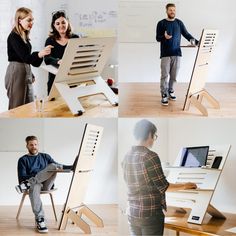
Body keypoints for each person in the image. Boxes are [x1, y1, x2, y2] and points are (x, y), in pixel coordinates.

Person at [122, 119, 197, 236]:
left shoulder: (127, 155)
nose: (153, 140)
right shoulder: (150, 156)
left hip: (132, 212)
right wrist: (185, 185)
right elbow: (163, 186)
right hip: (150, 214)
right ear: (149, 134)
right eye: (154, 136)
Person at [15, 136, 72, 233]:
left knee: (53, 166)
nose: (34, 147)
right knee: (34, 185)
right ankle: (40, 219)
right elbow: (22, 178)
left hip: (46, 184)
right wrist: (40, 175)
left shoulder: (45, 156)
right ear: (27, 146)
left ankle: (29, 183)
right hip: (35, 186)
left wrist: (72, 167)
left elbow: (57, 166)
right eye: (31, 145)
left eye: (35, 144)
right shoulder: (23, 160)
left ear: (38, 145)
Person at [5, 7, 53, 110]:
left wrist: (30, 73)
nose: (32, 23)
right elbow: (26, 57)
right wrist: (40, 54)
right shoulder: (14, 36)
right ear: (19, 20)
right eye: (29, 20)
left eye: (32, 20)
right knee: (17, 107)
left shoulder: (24, 37)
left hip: (25, 70)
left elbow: (27, 59)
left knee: (29, 106)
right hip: (16, 71)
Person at [156, 3, 198, 106]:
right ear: (166, 11)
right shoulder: (161, 23)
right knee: (165, 75)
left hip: (177, 53)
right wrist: (164, 37)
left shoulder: (179, 23)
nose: (172, 12)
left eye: (174, 10)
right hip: (165, 54)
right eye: (170, 10)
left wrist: (197, 42)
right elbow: (157, 38)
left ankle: (170, 91)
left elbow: (187, 34)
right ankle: (164, 94)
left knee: (174, 76)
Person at [44, 10, 79, 95]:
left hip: (71, 80)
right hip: (54, 81)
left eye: (63, 22)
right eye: (58, 23)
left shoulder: (75, 38)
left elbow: (78, 56)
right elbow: (47, 59)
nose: (61, 26)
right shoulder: (50, 40)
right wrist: (57, 61)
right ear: (54, 25)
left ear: (68, 22)